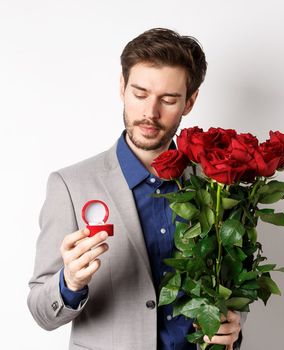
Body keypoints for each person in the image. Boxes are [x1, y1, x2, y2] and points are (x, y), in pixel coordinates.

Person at [27, 28, 246, 350]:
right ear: (122, 87)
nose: (150, 113)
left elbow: (234, 283)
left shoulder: (217, 183)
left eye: (168, 99)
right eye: (140, 94)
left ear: (190, 101)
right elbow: (42, 313)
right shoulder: (70, 185)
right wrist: (69, 282)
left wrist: (233, 328)